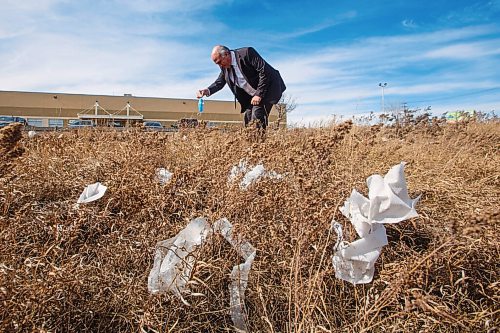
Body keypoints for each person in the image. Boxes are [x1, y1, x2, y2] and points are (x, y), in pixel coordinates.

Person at [197, 45, 286, 129]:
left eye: (219, 62)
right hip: (252, 96)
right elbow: (219, 82)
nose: (219, 65)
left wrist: (259, 94)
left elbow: (264, 71)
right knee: (248, 117)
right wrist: (207, 91)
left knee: (257, 114)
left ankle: (258, 143)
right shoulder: (225, 67)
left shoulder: (247, 53)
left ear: (226, 54)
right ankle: (249, 142)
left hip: (268, 88)